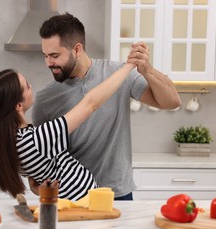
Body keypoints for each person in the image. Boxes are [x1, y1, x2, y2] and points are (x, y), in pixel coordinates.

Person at [31, 13, 182, 200]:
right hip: (73, 197)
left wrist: (147, 70)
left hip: (117, 193)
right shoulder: (46, 99)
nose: (48, 63)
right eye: (45, 56)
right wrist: (42, 188)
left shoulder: (117, 74)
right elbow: (36, 163)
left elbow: (172, 101)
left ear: (77, 49)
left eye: (54, 55)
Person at [0, 62, 135, 201]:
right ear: (18, 106)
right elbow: (90, 104)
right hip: (79, 204)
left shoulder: (10, 140)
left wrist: (37, 188)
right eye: (27, 86)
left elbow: (35, 179)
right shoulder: (36, 139)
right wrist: (128, 66)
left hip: (66, 202)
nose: (31, 87)